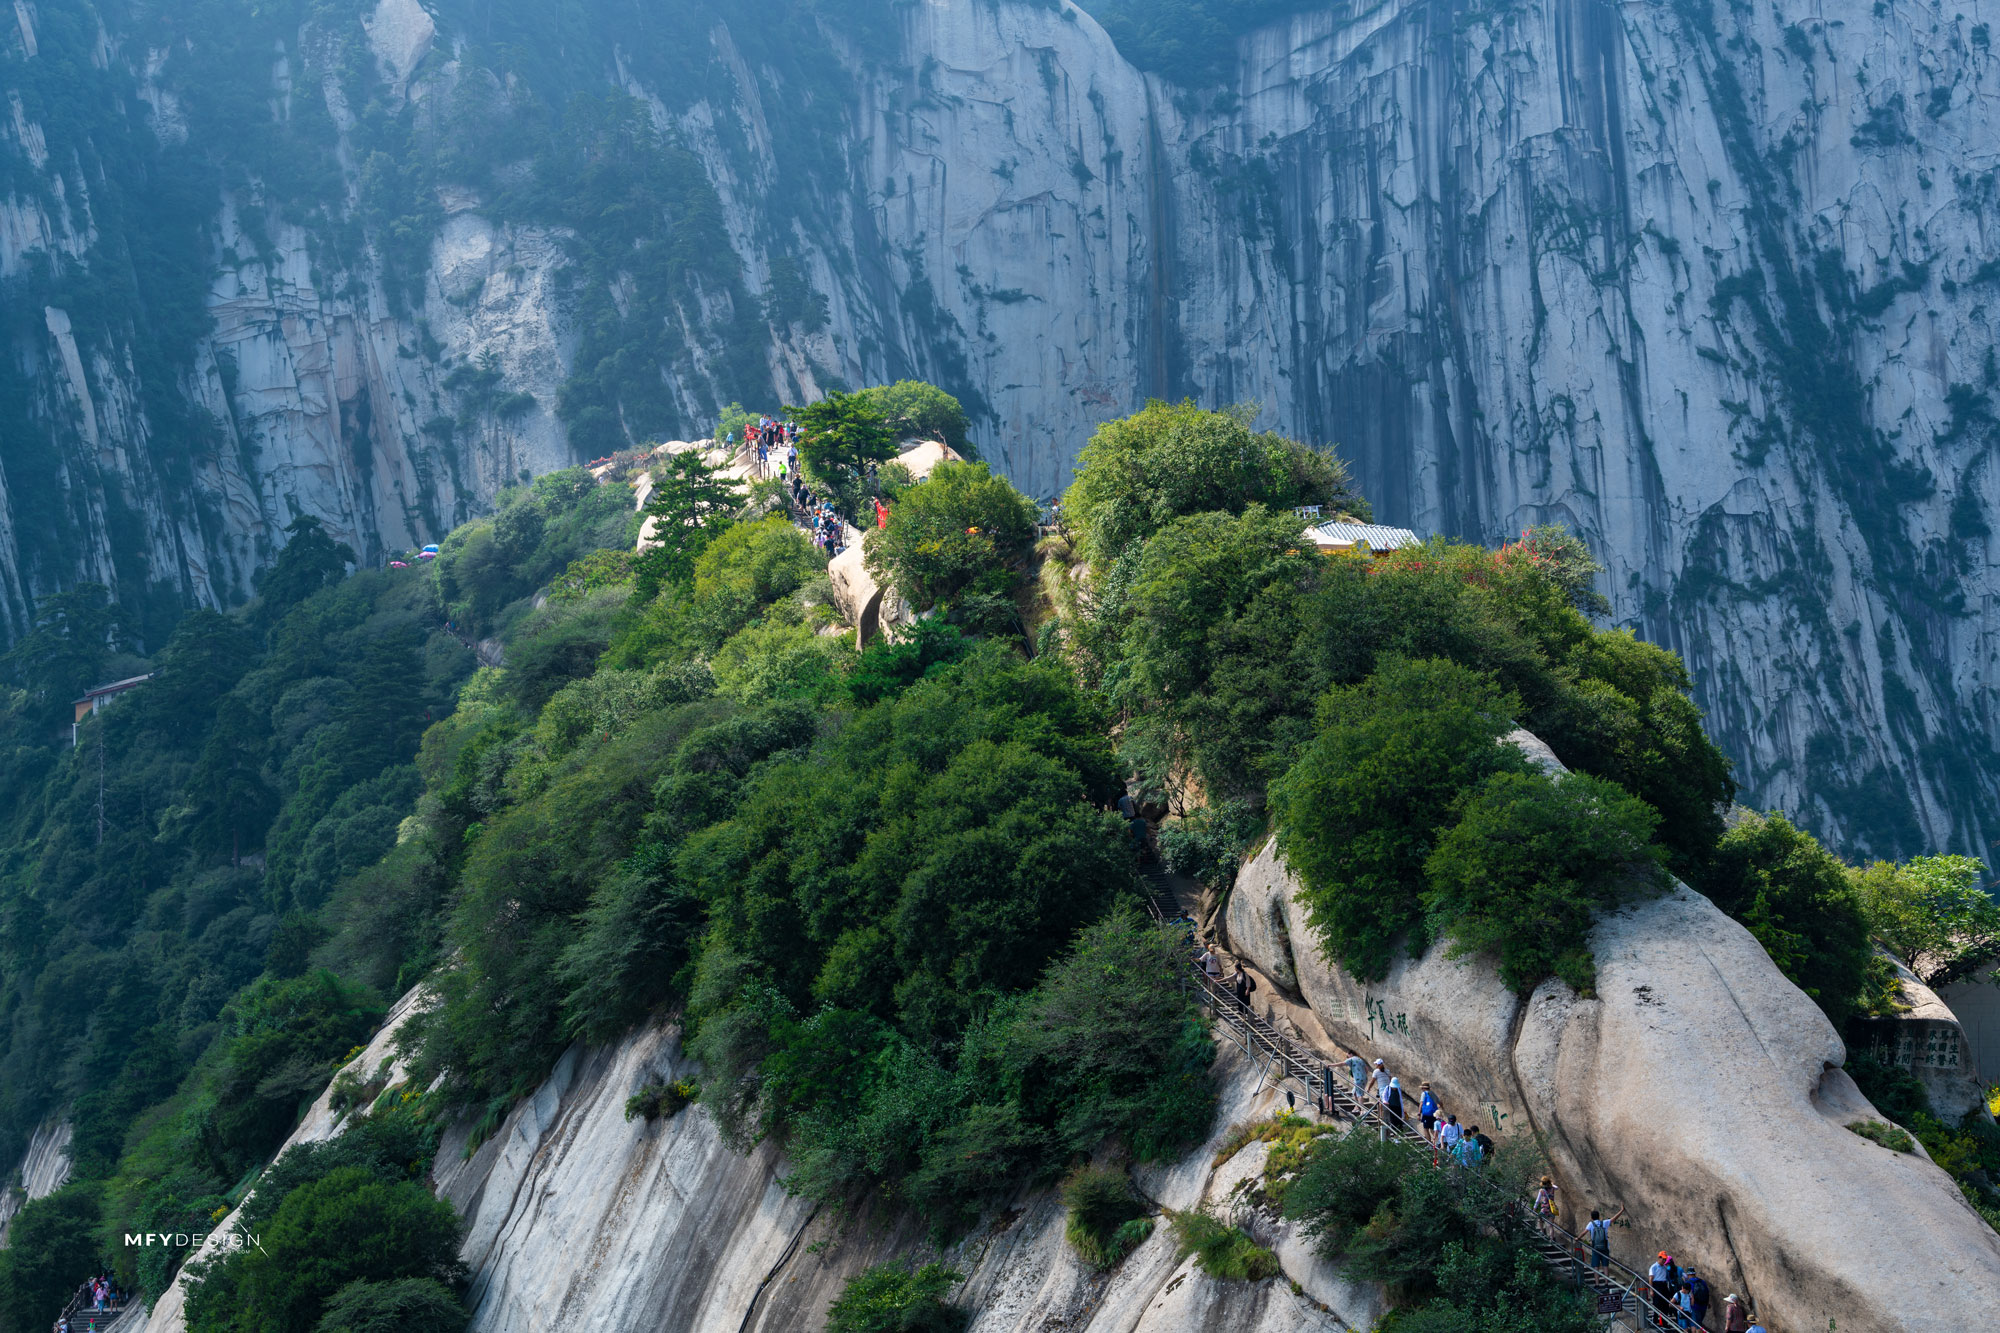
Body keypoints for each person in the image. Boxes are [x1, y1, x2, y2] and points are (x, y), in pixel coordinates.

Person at [1583, 1205, 1624, 1270]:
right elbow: (1614, 1218)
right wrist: (1621, 1210)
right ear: (1599, 1216)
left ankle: (1596, 1280)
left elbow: (1584, 1232)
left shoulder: (1591, 1224)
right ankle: (1606, 1280)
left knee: (1596, 1266)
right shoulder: (1604, 1222)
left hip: (1595, 1248)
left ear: (1591, 1217)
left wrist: (1577, 1238)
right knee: (1605, 1266)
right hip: (1605, 1247)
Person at [1649, 1254, 1677, 1325]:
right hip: (1656, 1284)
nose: (1664, 1261)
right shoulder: (1653, 1267)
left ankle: (1664, 1321)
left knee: (1666, 1302)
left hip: (1664, 1285)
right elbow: (1651, 1278)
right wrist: (1651, 1290)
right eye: (1663, 1259)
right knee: (1657, 1303)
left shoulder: (1664, 1267)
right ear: (1659, 1258)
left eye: (1665, 1259)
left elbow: (1667, 1277)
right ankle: (1655, 1319)